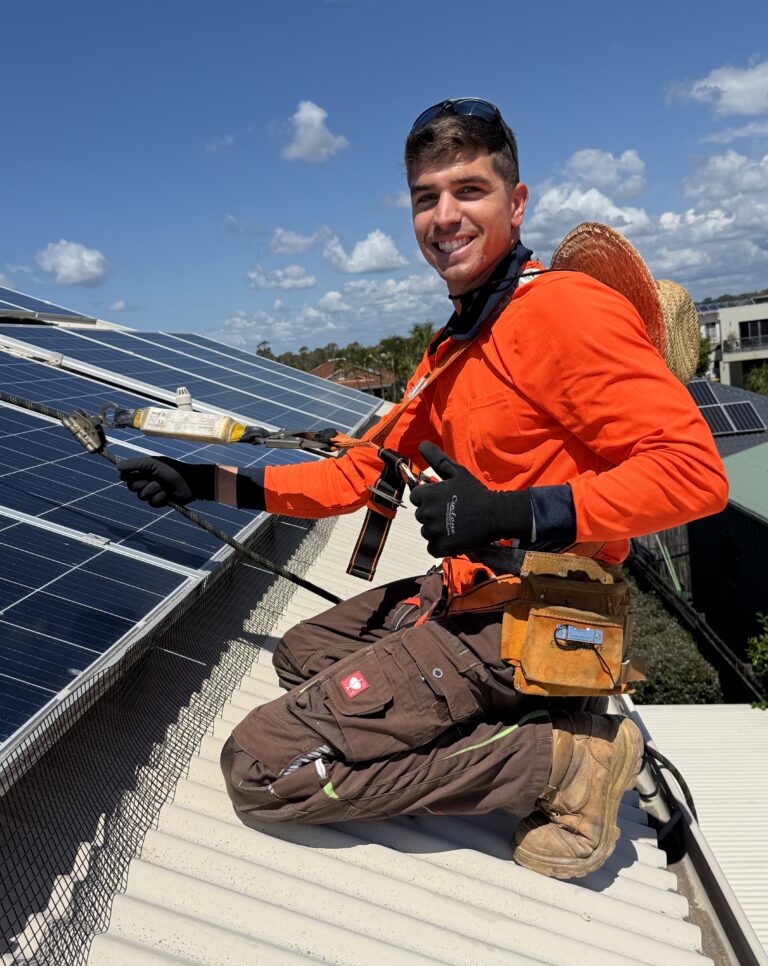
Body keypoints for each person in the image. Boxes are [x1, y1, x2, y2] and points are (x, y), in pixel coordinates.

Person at [118, 98, 728, 879]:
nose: (444, 216)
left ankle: (565, 760)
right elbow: (358, 474)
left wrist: (511, 511)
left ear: (515, 202)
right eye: (425, 197)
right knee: (304, 655)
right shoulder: (460, 342)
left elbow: (694, 474)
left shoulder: (566, 311)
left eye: (469, 190)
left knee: (264, 767)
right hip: (471, 592)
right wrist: (210, 481)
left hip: (532, 611)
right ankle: (521, 713)